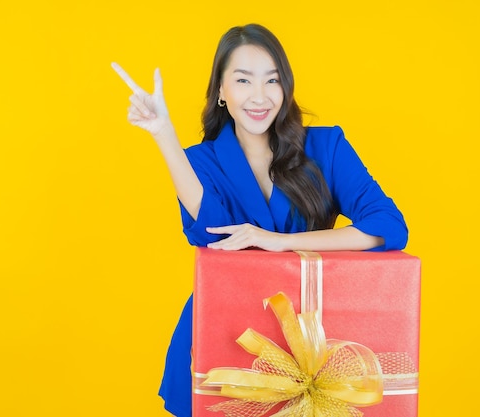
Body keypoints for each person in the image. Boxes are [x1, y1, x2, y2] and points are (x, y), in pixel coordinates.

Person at [112, 23, 407, 417]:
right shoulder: (200, 162)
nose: (259, 96)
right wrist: (163, 132)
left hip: (312, 342)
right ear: (221, 90)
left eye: (271, 80)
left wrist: (279, 242)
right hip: (222, 335)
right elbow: (209, 228)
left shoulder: (327, 147)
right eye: (242, 80)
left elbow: (389, 227)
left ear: (285, 87)